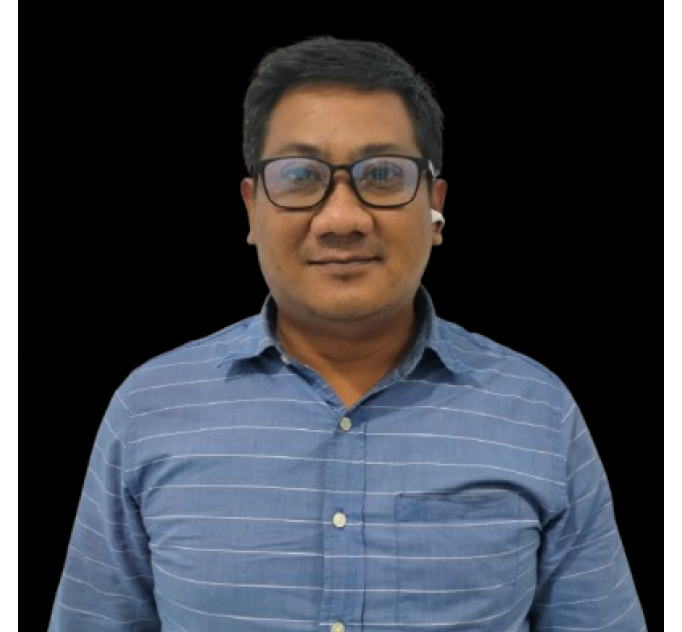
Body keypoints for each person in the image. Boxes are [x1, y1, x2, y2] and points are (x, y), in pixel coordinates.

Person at [48, 35, 647, 631]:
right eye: (300, 176)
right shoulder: (150, 408)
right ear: (252, 208)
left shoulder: (538, 413)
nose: (341, 219)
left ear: (436, 208)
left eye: (382, 174)